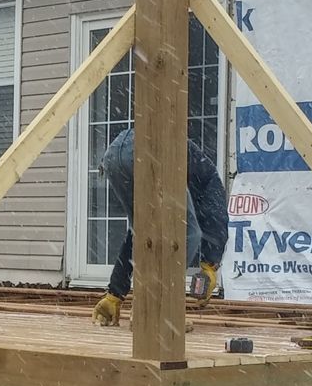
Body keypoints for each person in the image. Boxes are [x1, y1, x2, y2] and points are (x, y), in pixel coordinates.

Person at [91, 127, 229, 326]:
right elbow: (217, 218)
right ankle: (160, 313)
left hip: (114, 154)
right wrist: (210, 266)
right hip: (151, 149)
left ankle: (116, 302)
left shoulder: (193, 170)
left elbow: (136, 237)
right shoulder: (209, 180)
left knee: (140, 231)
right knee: (189, 233)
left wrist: (115, 292)